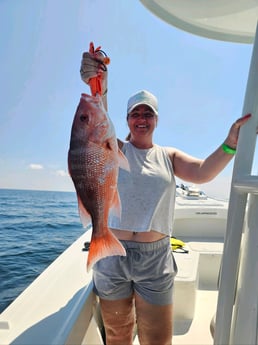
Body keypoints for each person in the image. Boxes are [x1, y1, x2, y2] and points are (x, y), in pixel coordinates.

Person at [80, 50, 251, 345]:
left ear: (157, 120)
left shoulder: (167, 156)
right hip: (111, 254)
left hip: (154, 259)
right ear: (126, 119)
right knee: (118, 334)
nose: (141, 118)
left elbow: (202, 172)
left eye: (148, 113)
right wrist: (99, 86)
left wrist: (230, 144)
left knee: (157, 338)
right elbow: (96, 125)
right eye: (135, 113)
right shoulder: (112, 147)